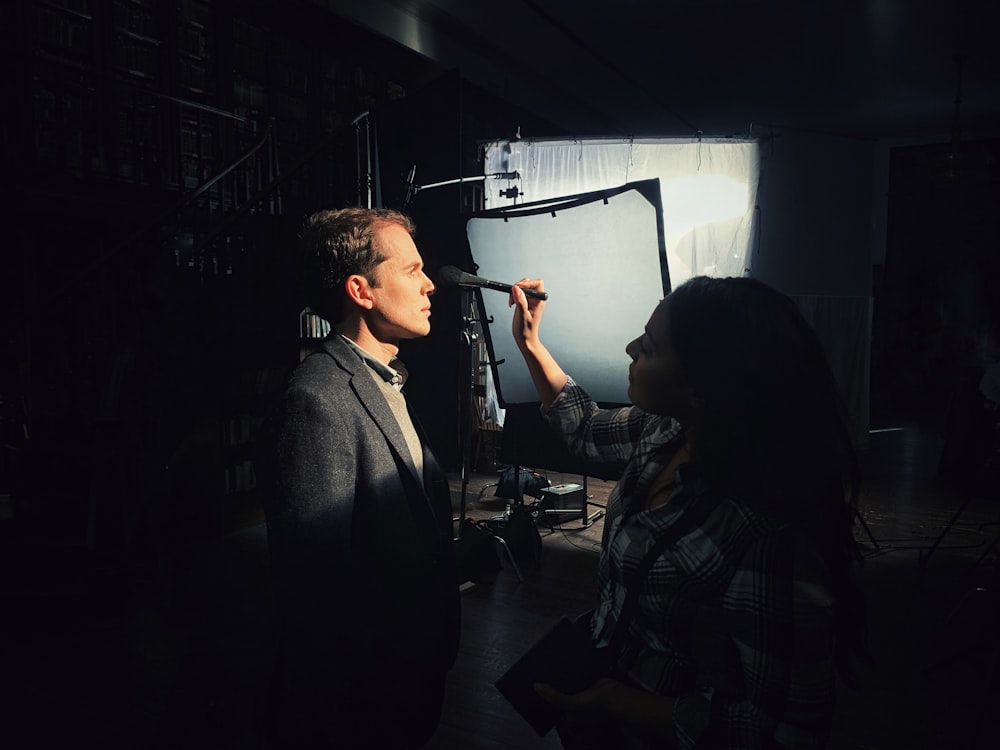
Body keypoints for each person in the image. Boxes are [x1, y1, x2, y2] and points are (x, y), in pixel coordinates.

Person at [508, 274, 867, 749]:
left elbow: (786, 731)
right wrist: (530, 342)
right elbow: (589, 427)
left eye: (651, 348)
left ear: (702, 386)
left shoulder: (766, 539)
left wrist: (624, 704)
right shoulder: (667, 429)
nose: (630, 348)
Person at [257, 207, 460, 749]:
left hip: (407, 673)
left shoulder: (383, 378)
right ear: (361, 290)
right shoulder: (317, 396)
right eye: (411, 270)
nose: (429, 286)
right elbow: (316, 583)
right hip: (367, 696)